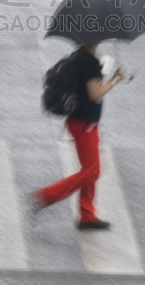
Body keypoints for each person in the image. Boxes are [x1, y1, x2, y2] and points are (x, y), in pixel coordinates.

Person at [31, 43, 132, 230]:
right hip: (84, 124)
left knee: (89, 169)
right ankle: (45, 196)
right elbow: (95, 94)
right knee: (92, 171)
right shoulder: (90, 62)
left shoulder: (78, 56)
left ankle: (87, 215)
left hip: (80, 122)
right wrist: (116, 79)